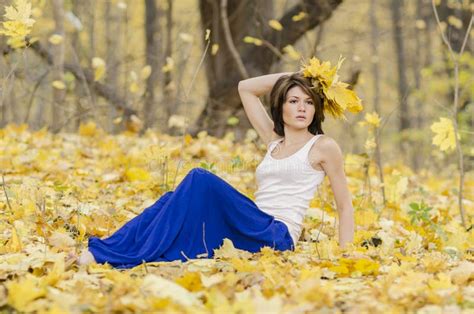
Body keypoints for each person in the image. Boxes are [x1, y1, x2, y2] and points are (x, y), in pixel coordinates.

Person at [76, 70, 355, 268]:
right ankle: (104, 251)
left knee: (201, 179)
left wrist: (345, 260)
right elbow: (245, 87)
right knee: (171, 200)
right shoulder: (273, 140)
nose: (301, 108)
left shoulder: (323, 146)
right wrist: (298, 75)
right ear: (280, 106)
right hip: (252, 222)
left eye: (308, 102)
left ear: (316, 109)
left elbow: (345, 206)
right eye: (293, 101)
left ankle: (117, 254)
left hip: (276, 235)